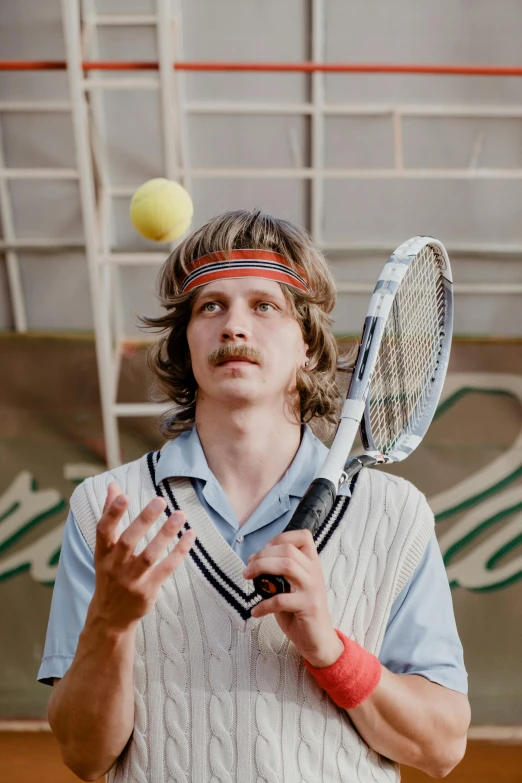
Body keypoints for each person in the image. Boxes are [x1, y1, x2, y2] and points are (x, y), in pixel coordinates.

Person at [39, 209, 470, 782]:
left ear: (309, 348)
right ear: (185, 343)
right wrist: (110, 626)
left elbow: (441, 747)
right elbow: (83, 756)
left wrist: (331, 652)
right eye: (210, 306)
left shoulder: (394, 514)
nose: (233, 326)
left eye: (264, 306)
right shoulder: (105, 507)